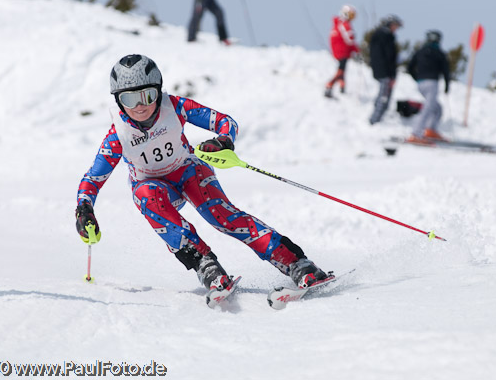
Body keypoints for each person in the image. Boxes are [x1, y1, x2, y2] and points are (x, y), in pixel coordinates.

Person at [75, 54, 330, 293]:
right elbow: (92, 179)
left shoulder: (175, 106)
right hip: (154, 188)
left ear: (159, 91)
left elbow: (225, 121)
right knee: (145, 194)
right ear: (118, 100)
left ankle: (297, 263)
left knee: (222, 216)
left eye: (148, 95)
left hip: (189, 172)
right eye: (130, 99)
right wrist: (84, 207)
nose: (141, 106)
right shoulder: (117, 135)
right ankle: (206, 266)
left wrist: (223, 141)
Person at [406, 30, 451, 143]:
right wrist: (447, 85)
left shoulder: (420, 51)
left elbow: (410, 67)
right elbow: (446, 71)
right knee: (428, 108)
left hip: (421, 84)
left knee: (437, 108)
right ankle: (415, 133)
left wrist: (417, 78)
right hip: (432, 83)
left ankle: (430, 130)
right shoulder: (439, 53)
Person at [368, 15, 403, 125]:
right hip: (385, 71)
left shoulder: (377, 35)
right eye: (395, 26)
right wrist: (392, 74)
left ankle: (375, 120)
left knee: (382, 95)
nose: (396, 29)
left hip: (378, 69)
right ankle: (374, 121)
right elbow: (390, 57)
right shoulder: (387, 36)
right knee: (384, 96)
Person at [324, 5, 360, 98]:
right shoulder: (344, 24)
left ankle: (342, 86)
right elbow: (350, 39)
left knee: (342, 69)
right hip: (342, 51)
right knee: (341, 70)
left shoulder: (338, 24)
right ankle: (330, 85)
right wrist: (356, 49)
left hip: (341, 51)